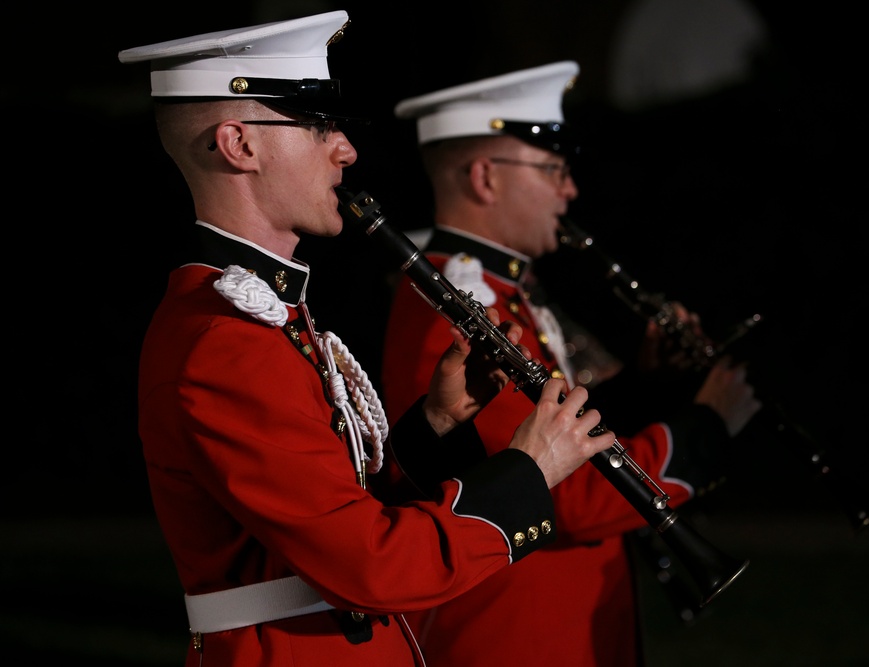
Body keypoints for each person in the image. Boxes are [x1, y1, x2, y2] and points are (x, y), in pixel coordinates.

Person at [119, 14, 618, 667]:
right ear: (239, 145)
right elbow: (368, 564)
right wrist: (530, 471)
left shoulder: (261, 317)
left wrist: (434, 427)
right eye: (317, 123)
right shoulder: (223, 340)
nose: (346, 150)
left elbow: (329, 510)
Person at [379, 61, 763, 667]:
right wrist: (703, 431)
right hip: (515, 638)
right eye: (553, 170)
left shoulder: (498, 292)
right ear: (485, 177)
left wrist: (642, 384)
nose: (570, 190)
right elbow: (560, 492)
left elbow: (565, 431)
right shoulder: (453, 308)